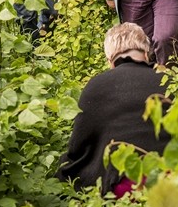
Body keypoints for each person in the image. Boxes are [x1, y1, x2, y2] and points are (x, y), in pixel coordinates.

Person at [56, 22, 171, 196]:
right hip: (172, 178)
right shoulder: (168, 81)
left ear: (110, 60)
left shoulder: (96, 86)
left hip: (124, 187)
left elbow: (78, 146)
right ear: (146, 54)